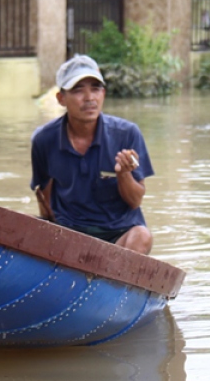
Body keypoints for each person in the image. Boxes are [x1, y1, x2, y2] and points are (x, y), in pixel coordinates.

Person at [31, 54, 153, 255]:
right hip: (70, 235)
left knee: (142, 236)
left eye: (95, 89)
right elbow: (44, 197)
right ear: (61, 98)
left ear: (103, 94)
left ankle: (112, 278)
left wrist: (123, 174)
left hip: (119, 234)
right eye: (78, 90)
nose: (89, 98)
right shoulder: (44, 140)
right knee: (25, 228)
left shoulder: (127, 134)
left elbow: (135, 201)